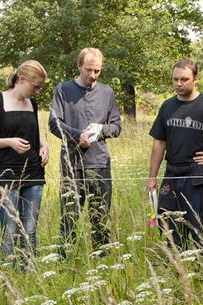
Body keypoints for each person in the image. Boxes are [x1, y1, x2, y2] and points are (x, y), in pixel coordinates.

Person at [0, 60, 50, 270]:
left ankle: (29, 273)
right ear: (22, 79)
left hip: (33, 173)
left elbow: (34, 133)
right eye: (35, 86)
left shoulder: (32, 104)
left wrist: (44, 146)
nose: (37, 91)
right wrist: (8, 142)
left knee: (30, 229)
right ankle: (9, 276)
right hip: (5, 174)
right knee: (10, 229)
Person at [48, 47, 121, 255]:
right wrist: (76, 135)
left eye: (97, 71)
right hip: (72, 165)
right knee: (69, 219)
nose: (92, 75)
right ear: (79, 66)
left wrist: (101, 131)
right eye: (88, 70)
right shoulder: (63, 90)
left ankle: (102, 262)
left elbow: (116, 127)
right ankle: (66, 261)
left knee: (100, 218)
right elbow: (54, 123)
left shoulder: (107, 93)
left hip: (99, 165)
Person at [145, 59, 203, 249]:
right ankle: (177, 272)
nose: (178, 84)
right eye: (175, 79)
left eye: (184, 79)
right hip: (172, 175)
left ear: (196, 78)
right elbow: (159, 142)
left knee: (202, 230)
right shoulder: (167, 106)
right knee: (171, 230)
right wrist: (152, 177)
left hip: (200, 177)